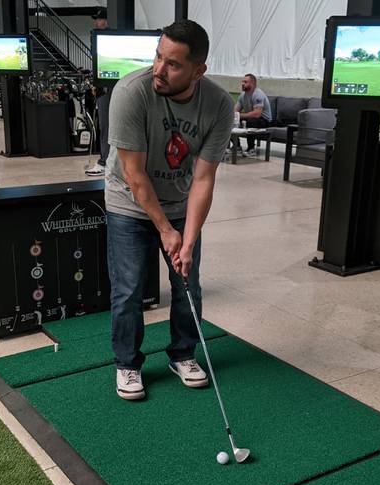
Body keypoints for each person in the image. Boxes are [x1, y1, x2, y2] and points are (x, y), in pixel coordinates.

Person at [106, 20, 233, 400]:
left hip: (179, 201)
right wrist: (165, 229)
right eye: (158, 56)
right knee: (129, 289)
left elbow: (204, 178)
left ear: (198, 70)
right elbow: (135, 174)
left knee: (187, 284)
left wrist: (188, 239)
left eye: (173, 64)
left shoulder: (219, 105)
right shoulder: (131, 92)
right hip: (128, 202)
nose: (159, 69)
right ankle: (127, 364)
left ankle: (182, 355)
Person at [85, 8, 110, 177]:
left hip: (109, 89)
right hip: (102, 89)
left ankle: (105, 162)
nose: (96, 22)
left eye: (100, 19)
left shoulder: (107, 39)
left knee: (107, 126)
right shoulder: (96, 37)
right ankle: (105, 160)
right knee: (105, 126)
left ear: (107, 21)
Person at [233, 73, 272, 156]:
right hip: (250, 117)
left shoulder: (258, 94)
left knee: (251, 121)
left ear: (252, 84)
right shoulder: (242, 95)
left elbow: (257, 114)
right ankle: (237, 146)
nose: (242, 84)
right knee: (229, 120)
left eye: (245, 82)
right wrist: (232, 115)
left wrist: (239, 115)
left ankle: (251, 149)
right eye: (242, 81)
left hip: (264, 120)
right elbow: (235, 111)